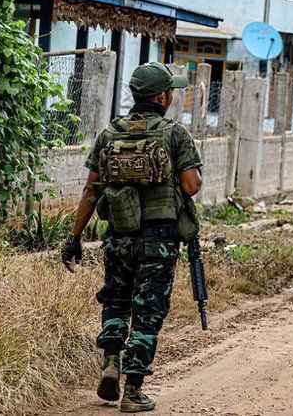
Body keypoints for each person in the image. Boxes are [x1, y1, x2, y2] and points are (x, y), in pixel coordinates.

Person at [60, 62, 203, 413]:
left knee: (116, 302)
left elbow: (91, 190)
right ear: (161, 96)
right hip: (158, 240)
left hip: (118, 239)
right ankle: (134, 390)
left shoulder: (111, 133)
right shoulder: (174, 134)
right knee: (148, 311)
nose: (172, 96)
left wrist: (74, 238)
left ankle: (111, 361)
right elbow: (190, 185)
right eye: (170, 91)